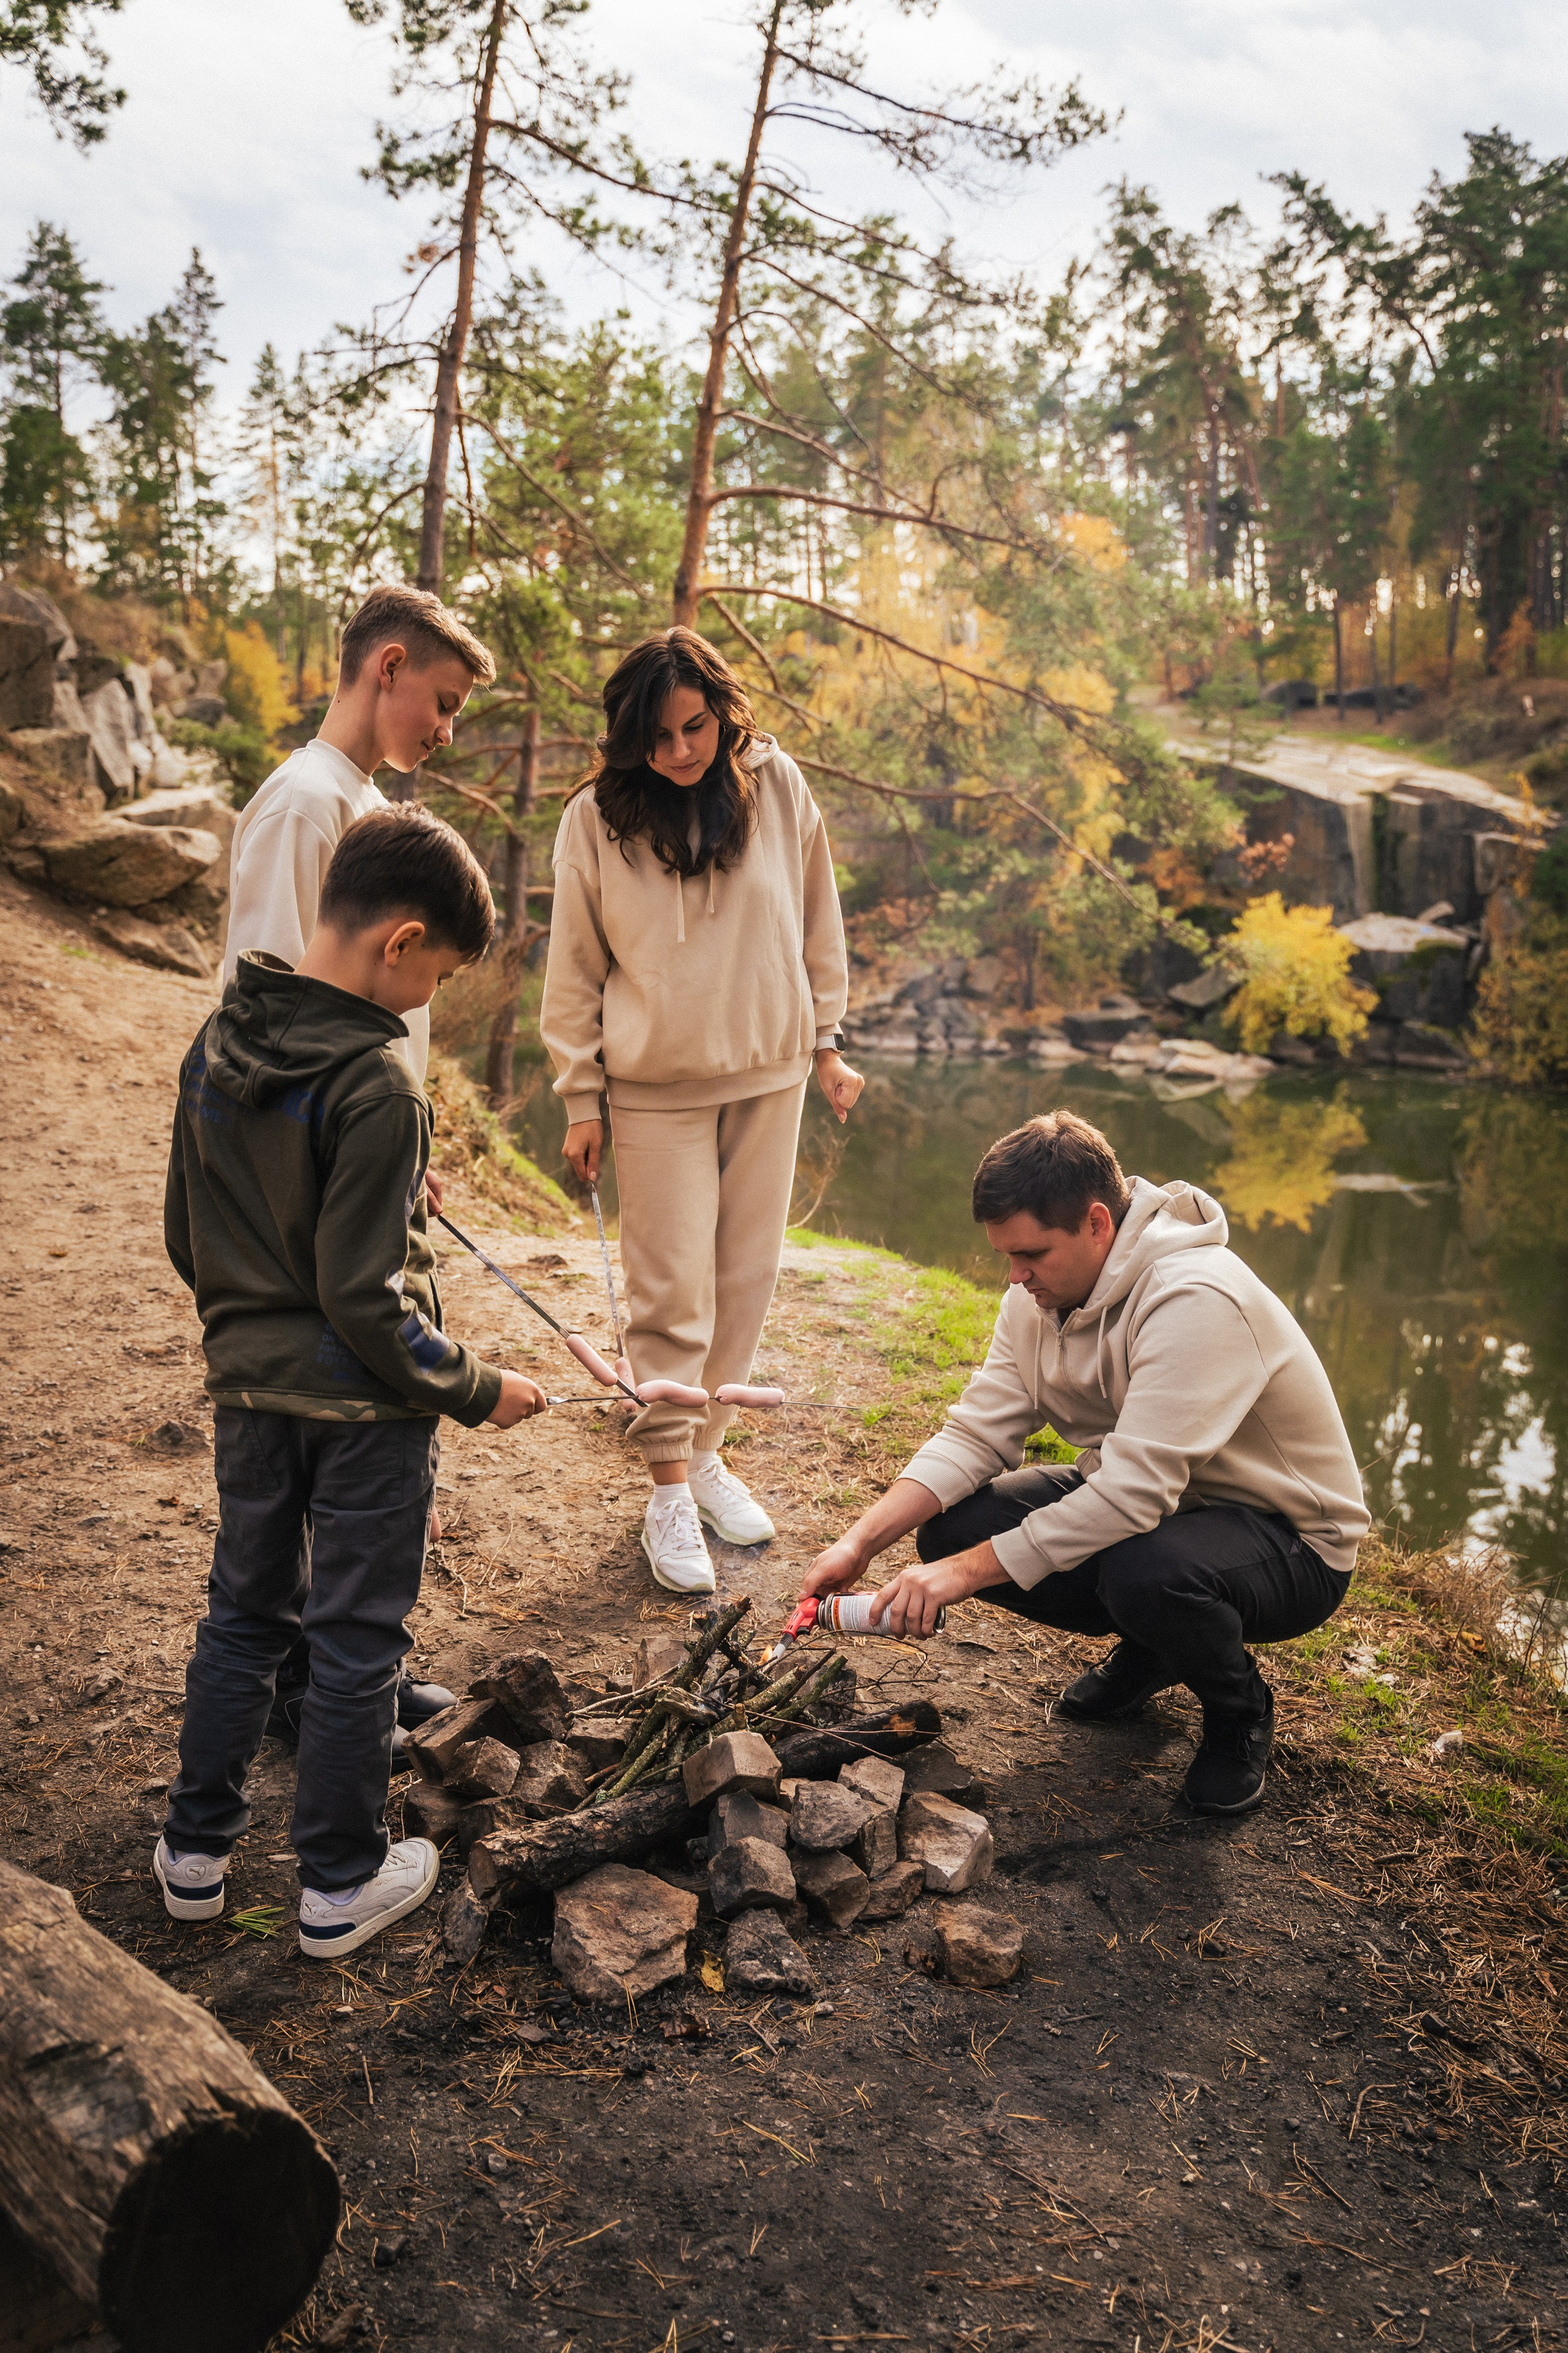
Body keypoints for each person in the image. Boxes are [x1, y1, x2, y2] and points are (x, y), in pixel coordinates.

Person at [155, 806, 548, 1957]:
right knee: (355, 1641)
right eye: (437, 973)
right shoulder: (380, 1081)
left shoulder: (218, 1038)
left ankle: (194, 1854)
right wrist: (478, 1386)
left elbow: (194, 1232)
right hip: (367, 1417)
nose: (429, 999)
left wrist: (258, 1312)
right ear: (400, 939)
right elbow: (366, 1302)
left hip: (250, 1394)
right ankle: (337, 1882)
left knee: (244, 1618)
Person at [801, 1111, 1368, 1815]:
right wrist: (859, 1542)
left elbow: (1132, 1494)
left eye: (1031, 1255)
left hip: (1289, 1539)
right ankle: (1156, 1646)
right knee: (951, 1528)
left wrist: (959, 1577)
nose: (1014, 1276)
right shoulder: (1036, 1294)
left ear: (1098, 1223)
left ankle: (1238, 1710)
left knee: (1144, 1572)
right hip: (1165, 1509)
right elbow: (977, 1433)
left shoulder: (1195, 1297)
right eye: (1006, 1256)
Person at [223, 581, 496, 1747]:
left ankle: (348, 1668)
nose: (447, 730)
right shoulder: (303, 809)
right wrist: (358, 1157)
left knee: (362, 1417)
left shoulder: (364, 803)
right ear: (386, 668)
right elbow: (280, 1019)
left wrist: (409, 1147)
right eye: (439, 702)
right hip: (318, 1175)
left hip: (371, 1149)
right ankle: (314, 1683)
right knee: (334, 1406)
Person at [541, 627, 862, 1595]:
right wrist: (581, 1093)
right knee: (669, 1290)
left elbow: (817, 915)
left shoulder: (777, 784)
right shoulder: (593, 820)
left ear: (723, 711)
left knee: (745, 1282)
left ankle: (709, 1450)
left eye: (697, 726)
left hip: (771, 1074)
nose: (683, 750)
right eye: (661, 736)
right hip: (653, 1089)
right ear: (628, 738)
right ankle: (669, 1487)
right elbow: (574, 968)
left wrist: (829, 1041)